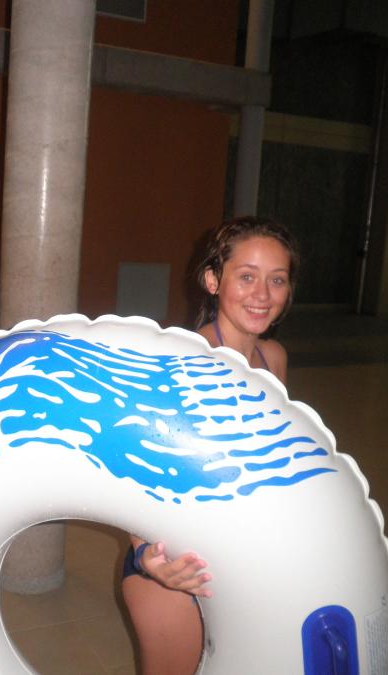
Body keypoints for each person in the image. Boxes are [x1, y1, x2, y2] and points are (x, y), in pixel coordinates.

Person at [121, 215, 299, 674]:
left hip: (243, 548)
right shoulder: (176, 360)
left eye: (277, 280)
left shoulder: (274, 359)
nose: (263, 294)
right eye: (247, 277)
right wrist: (145, 557)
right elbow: (132, 465)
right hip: (175, 562)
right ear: (213, 280)